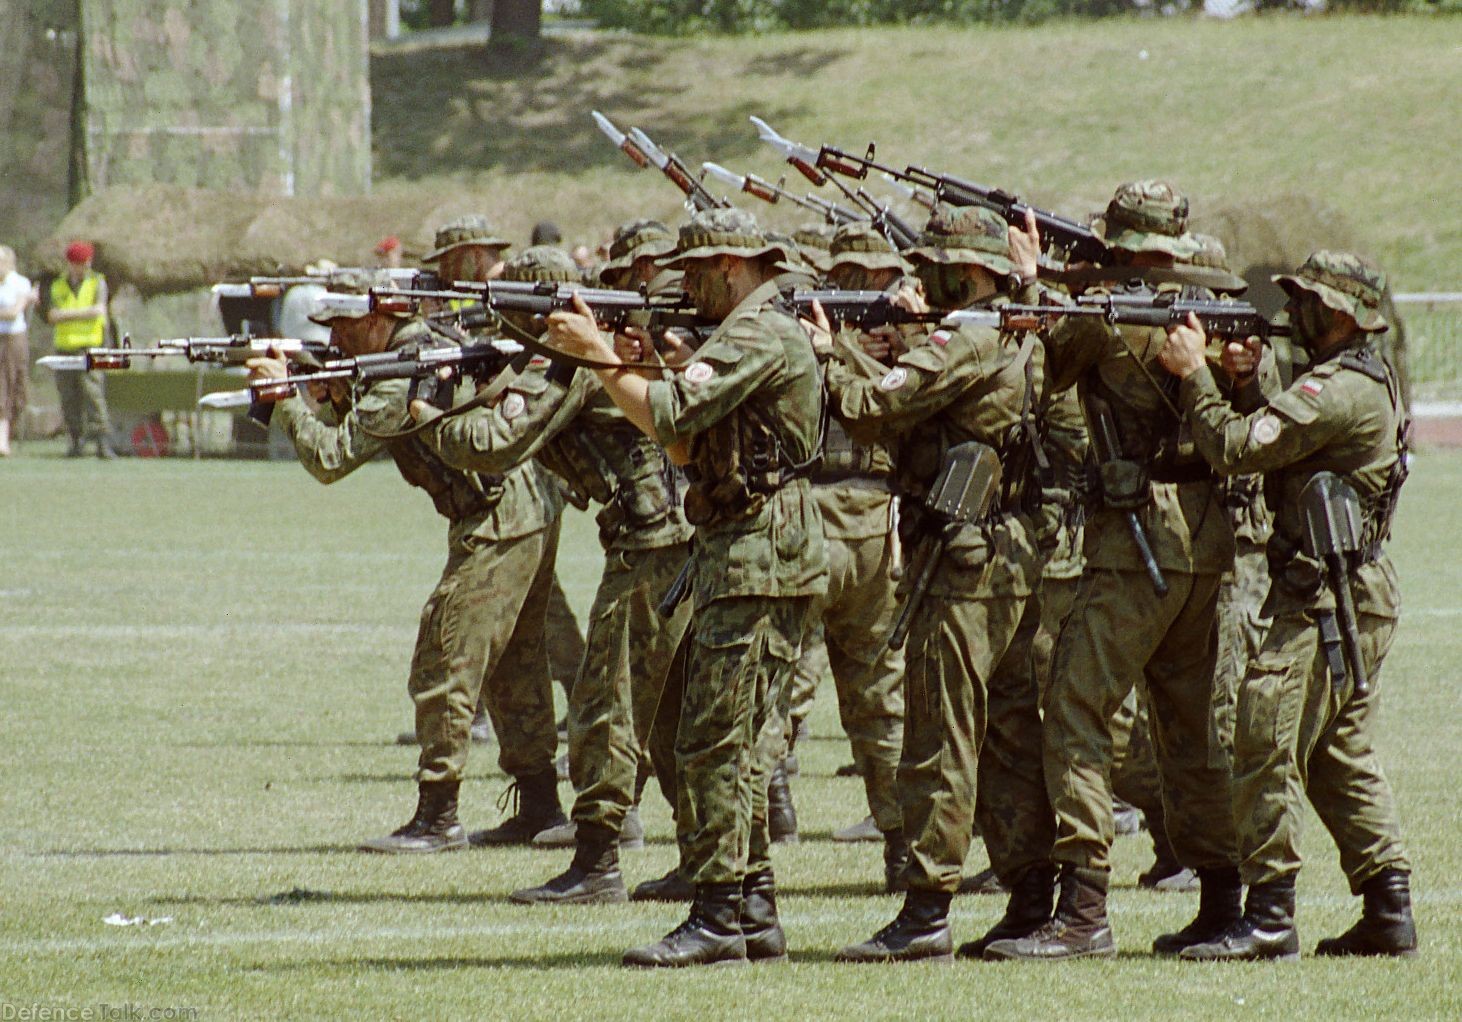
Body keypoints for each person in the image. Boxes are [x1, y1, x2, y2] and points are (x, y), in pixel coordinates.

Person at [545, 207, 827, 969]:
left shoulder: (757, 331)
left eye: (696, 274)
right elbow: (679, 437)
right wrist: (637, 365)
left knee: (713, 743)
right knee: (726, 740)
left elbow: (669, 414)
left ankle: (716, 915)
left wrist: (602, 357)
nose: (687, 289)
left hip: (761, 557)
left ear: (731, 269)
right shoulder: (751, 331)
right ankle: (752, 908)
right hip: (749, 552)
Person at [986, 181, 1241, 962]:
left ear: (1119, 243)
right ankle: (1223, 898)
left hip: (1134, 545)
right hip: (1206, 543)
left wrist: (1031, 280)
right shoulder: (1214, 307)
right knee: (1191, 729)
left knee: (1076, 712)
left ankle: (1085, 908)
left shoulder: (1107, 315)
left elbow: (1037, 366)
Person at [246, 270, 565, 854]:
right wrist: (331, 393)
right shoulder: (411, 350)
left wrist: (284, 400)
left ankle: (438, 816)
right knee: (514, 661)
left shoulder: (401, 372)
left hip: (498, 513)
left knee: (445, 653)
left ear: (374, 320)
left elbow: (330, 460)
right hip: (523, 506)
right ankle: (542, 808)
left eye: (341, 328)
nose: (334, 340)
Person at [413, 243, 694, 904]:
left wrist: (422, 416)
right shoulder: (575, 353)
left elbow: (495, 445)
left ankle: (596, 863)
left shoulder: (566, 361)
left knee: (605, 709)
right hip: (682, 543)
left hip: (650, 551)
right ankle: (706, 858)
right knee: (673, 717)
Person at [1159, 251, 1417, 961]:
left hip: (1323, 600)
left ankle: (1270, 916)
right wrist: (1244, 385)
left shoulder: (1335, 390)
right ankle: (1388, 910)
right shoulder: (1359, 377)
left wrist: (1198, 377)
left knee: (1263, 739)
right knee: (1337, 756)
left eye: (1304, 301)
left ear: (1337, 314)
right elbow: (1285, 448)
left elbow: (1238, 450)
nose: (1290, 312)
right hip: (1351, 592)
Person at [827, 204, 1055, 963]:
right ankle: (1029, 899)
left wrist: (832, 354)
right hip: (1009, 550)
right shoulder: (1016, 328)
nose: (923, 277)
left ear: (973, 271)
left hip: (960, 560)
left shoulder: (971, 332)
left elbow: (875, 407)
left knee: (942, 731)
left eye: (937, 267)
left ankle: (926, 910)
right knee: (1011, 732)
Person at [786, 221, 911, 888]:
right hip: (860, 520)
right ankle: (897, 840)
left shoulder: (903, 337)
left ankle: (748, 847)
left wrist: (840, 350)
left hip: (840, 518)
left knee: (788, 686)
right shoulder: (896, 335)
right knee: (874, 694)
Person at [47, 241, 115, 458]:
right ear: (70, 263)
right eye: (77, 264)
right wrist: (81, 313)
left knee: (93, 393)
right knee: (68, 396)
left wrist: (66, 315)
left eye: (85, 263)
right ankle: (75, 440)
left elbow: (98, 310)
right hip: (64, 347)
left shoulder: (97, 282)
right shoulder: (58, 285)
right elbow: (51, 315)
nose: (82, 267)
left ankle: (102, 442)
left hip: (90, 346)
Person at [0, 245, 37, 456]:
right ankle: (2, 439)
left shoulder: (20, 283)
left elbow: (14, 312)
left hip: (14, 339)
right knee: (1, 385)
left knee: (15, 384)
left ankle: (9, 433)